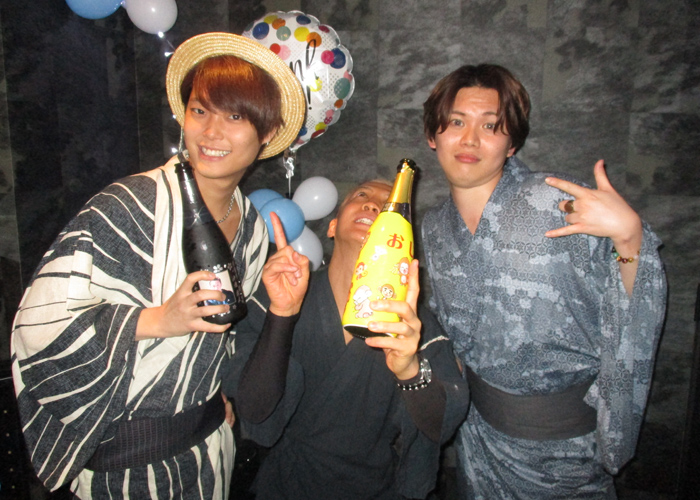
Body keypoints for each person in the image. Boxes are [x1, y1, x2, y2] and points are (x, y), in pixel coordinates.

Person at [10, 32, 305, 499]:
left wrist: (213, 395)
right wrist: (157, 320)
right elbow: (38, 324)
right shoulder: (129, 207)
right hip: (123, 470)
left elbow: (219, 345)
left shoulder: (251, 228)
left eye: (234, 116)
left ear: (267, 132)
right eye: (199, 110)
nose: (211, 132)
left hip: (209, 454)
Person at [420, 64, 667, 499]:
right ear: (432, 135)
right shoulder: (433, 227)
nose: (470, 139)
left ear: (512, 143)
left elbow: (630, 297)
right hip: (479, 442)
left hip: (565, 456)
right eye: (456, 122)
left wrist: (630, 238)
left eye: (490, 126)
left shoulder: (558, 201)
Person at [222, 180, 470, 499]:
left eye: (387, 206)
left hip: (371, 487)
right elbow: (255, 411)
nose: (372, 204)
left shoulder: (412, 325)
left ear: (402, 242)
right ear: (333, 226)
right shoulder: (277, 296)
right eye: (361, 196)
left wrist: (409, 369)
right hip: (284, 484)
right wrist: (282, 314)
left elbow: (440, 424)